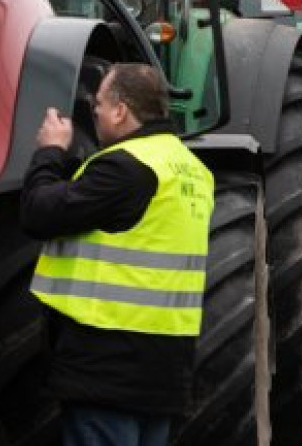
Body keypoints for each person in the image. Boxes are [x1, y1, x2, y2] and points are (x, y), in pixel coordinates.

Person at [21, 63, 214, 446]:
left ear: (121, 111)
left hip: (109, 368)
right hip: (164, 368)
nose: (95, 117)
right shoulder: (190, 169)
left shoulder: (126, 168)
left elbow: (39, 212)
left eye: (99, 109)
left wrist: (50, 153)